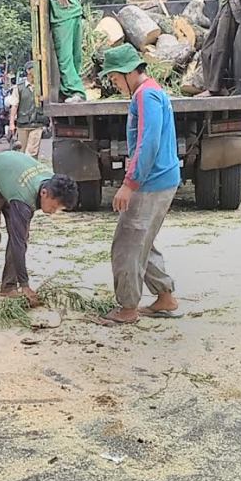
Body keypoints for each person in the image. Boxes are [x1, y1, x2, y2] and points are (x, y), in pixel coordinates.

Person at [96, 44, 181, 326]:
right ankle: (165, 296)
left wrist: (129, 185)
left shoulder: (145, 96)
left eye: (115, 78)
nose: (114, 83)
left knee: (126, 245)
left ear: (129, 72)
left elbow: (148, 144)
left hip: (151, 182)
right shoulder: (151, 92)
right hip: (160, 179)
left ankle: (128, 308)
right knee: (142, 241)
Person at [0, 151, 79, 305]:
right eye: (54, 206)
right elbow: (18, 243)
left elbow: (19, 238)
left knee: (21, 235)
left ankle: (8, 287)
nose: (54, 212)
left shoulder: (53, 183)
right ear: (44, 193)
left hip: (13, 182)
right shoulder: (24, 199)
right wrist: (25, 285)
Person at [35, 0, 87, 104]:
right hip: (61, 17)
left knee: (76, 56)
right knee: (65, 57)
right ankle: (76, 91)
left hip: (75, 12)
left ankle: (67, 91)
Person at [9, 61, 47, 158]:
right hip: (22, 124)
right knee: (21, 152)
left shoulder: (42, 88)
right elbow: (14, 106)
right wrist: (12, 123)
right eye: (34, 69)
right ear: (28, 71)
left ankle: (31, 166)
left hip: (37, 124)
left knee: (32, 152)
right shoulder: (19, 88)